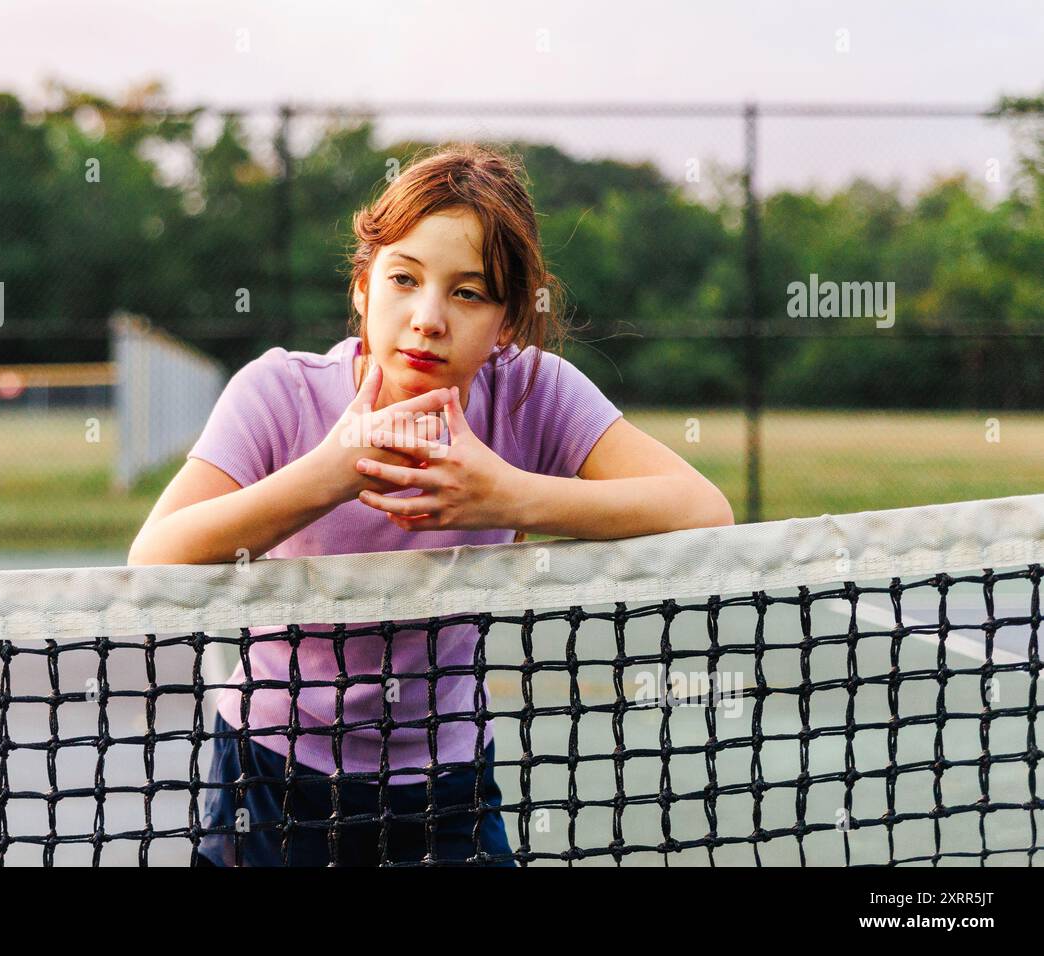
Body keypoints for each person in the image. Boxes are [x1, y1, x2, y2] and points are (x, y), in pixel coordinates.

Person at [128, 143, 733, 866]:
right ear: (362, 287)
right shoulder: (277, 392)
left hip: (446, 787)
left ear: (507, 320)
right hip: (271, 774)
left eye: (468, 293)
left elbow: (702, 510)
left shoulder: (537, 393)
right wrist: (330, 472)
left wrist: (508, 494)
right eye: (404, 279)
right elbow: (154, 558)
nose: (428, 317)